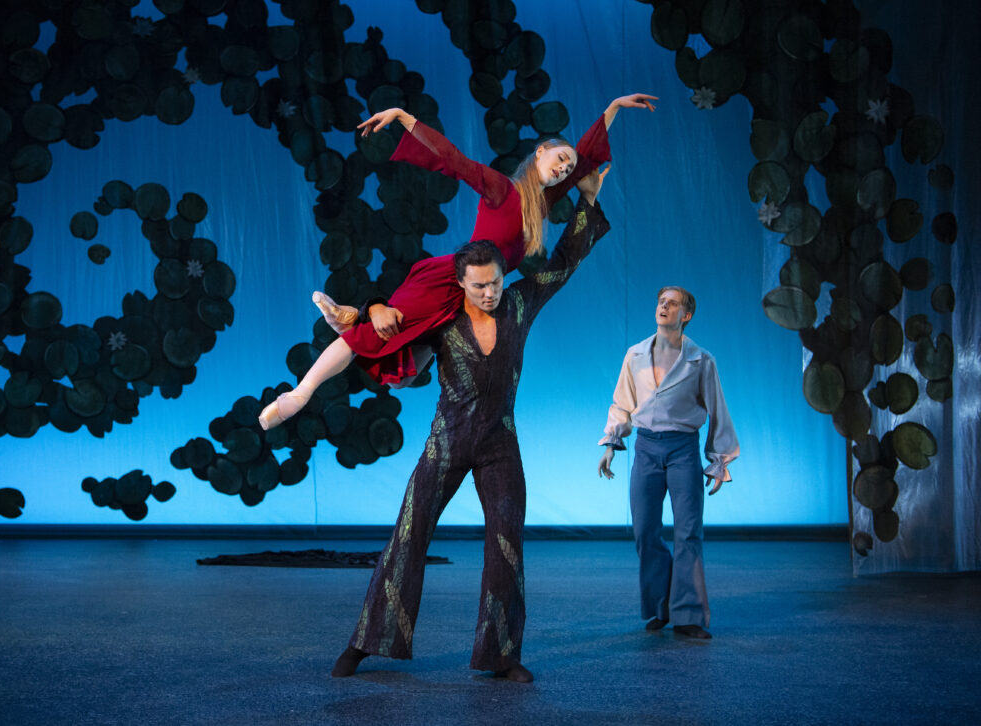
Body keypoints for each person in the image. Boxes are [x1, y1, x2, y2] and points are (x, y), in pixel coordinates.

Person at [331, 166, 612, 682]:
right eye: (479, 285)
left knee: (506, 541)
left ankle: (501, 653)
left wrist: (587, 205)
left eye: (496, 282)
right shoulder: (440, 320)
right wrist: (371, 308)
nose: (489, 293)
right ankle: (366, 643)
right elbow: (403, 362)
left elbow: (567, 262)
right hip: (447, 439)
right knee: (408, 535)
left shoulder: (521, 303)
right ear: (460, 282)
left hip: (500, 441)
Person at [258, 93, 657, 430]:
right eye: (559, 158)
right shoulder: (503, 189)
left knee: (405, 376)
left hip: (478, 298)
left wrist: (613, 108)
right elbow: (453, 159)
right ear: (539, 153)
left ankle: (352, 315)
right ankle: (300, 393)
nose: (565, 169)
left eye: (567, 168)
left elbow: (586, 156)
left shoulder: (540, 205)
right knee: (375, 337)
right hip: (452, 281)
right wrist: (403, 117)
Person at [597, 287, 739, 639]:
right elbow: (622, 403)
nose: (664, 306)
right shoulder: (635, 354)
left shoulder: (700, 359)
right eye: (661, 301)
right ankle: (660, 605)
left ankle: (688, 614)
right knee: (645, 530)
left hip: (682, 449)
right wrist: (612, 443)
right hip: (646, 447)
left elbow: (717, 408)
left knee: (688, 531)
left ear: (685, 315)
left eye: (672, 303)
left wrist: (719, 460)